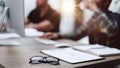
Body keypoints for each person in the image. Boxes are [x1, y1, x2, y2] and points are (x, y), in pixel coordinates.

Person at [41, 0, 120, 49]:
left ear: (106, 1)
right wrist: (58, 35)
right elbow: (77, 33)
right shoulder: (93, 19)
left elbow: (111, 30)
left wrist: (95, 9)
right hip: (96, 59)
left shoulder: (116, 17)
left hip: (112, 62)